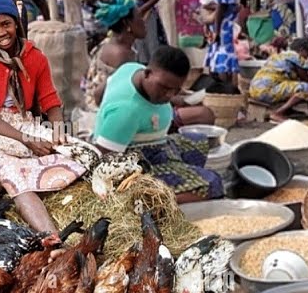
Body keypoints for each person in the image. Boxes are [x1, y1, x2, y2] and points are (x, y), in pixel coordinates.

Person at [0, 0, 86, 245]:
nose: (1, 33)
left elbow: (50, 100)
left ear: (16, 22)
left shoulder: (35, 57)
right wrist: (26, 139)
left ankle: (0, 182)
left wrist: (58, 130)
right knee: (16, 177)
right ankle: (53, 239)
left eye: (6, 24)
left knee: (81, 152)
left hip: (25, 122)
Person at [93, 46, 223, 204]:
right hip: (139, 161)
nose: (169, 95)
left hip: (156, 144)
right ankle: (153, 202)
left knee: (199, 141)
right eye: (164, 88)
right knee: (213, 182)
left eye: (176, 90)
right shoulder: (126, 112)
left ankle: (181, 177)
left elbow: (99, 93)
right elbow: (104, 163)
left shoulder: (131, 68)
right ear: (147, 74)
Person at [247, 38, 308, 122]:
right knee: (305, 88)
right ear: (302, 50)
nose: (306, 58)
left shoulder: (281, 55)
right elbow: (307, 82)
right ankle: (277, 113)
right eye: (307, 54)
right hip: (266, 91)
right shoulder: (297, 57)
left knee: (292, 84)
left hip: (254, 90)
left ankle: (288, 110)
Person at [205, 0, 241, 91]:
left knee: (216, 53)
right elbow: (222, 4)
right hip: (223, 24)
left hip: (219, 23)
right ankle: (225, 89)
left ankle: (218, 87)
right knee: (224, 55)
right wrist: (218, 30)